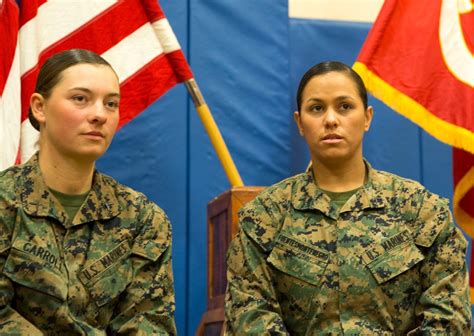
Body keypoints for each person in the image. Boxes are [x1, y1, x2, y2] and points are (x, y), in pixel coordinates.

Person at [224, 61, 471, 335]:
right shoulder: (265, 217)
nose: (331, 119)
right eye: (316, 108)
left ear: (367, 117)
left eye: (344, 106)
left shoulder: (421, 211)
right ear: (300, 123)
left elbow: (450, 321)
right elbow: (249, 317)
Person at [0, 49, 177, 335]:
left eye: (111, 104)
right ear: (39, 107)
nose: (99, 115)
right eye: (80, 99)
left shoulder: (143, 219)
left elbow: (149, 324)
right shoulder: (4, 202)